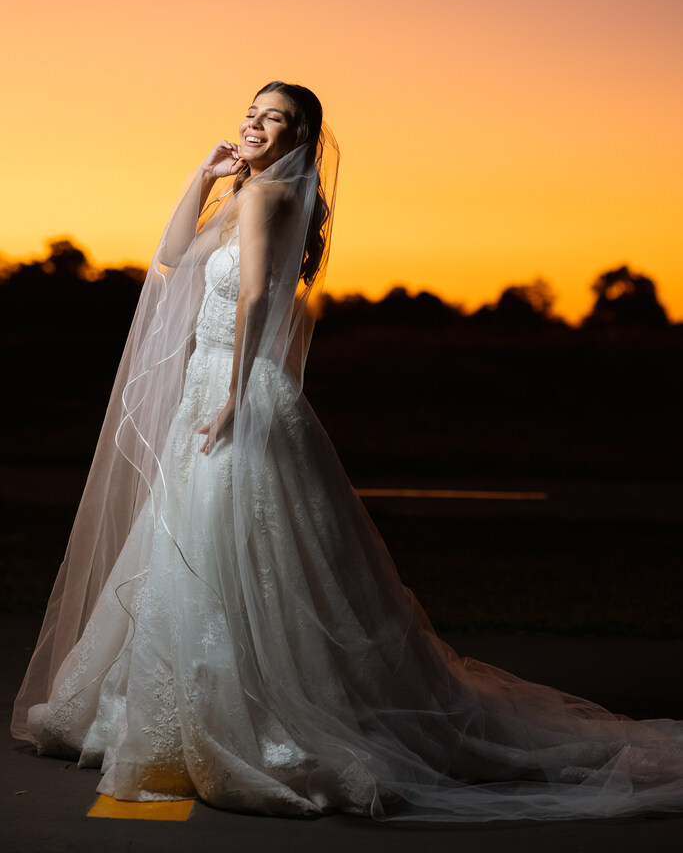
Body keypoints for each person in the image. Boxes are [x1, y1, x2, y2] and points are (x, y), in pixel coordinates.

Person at [12, 82, 683, 821]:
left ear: (298, 136)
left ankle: (246, 715)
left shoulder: (268, 200)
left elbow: (258, 296)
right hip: (209, 383)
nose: (255, 124)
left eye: (275, 118)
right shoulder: (243, 194)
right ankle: (171, 709)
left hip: (233, 385)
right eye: (252, 111)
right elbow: (173, 255)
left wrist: (234, 393)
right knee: (193, 544)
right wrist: (200, 176)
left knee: (231, 545)